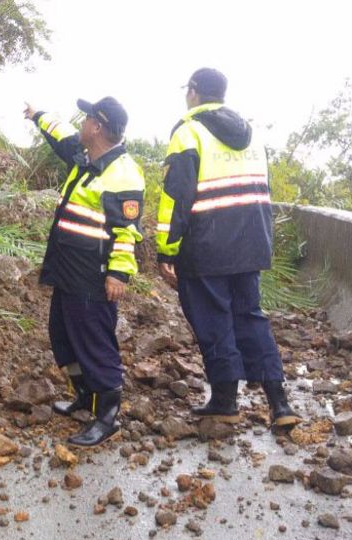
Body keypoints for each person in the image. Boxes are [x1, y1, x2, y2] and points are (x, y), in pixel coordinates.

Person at [156, 68, 301, 428]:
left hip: (206, 248)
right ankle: (279, 403)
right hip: (250, 244)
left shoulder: (188, 132)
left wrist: (166, 249)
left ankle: (225, 399)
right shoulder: (252, 135)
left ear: (193, 92)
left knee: (212, 319)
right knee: (250, 316)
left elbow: (177, 197)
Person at [24, 97, 145, 446]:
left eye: (87, 118)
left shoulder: (123, 172)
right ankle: (86, 397)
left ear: (96, 126)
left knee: (94, 341)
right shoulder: (86, 157)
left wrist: (119, 274)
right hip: (67, 268)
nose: (81, 122)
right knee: (62, 334)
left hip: (93, 273)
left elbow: (127, 231)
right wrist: (37, 116)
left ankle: (107, 415)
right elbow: (60, 134)